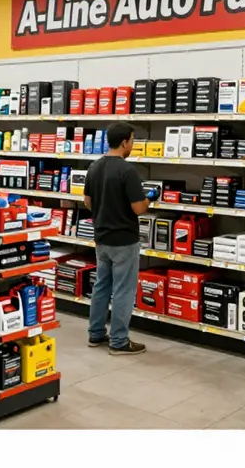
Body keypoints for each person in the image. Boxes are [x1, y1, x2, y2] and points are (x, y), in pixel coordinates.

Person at [83, 122, 150, 355]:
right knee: (123, 290)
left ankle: (96, 334)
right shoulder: (127, 171)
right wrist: (150, 199)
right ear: (124, 142)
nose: (132, 144)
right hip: (124, 240)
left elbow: (88, 202)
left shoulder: (94, 167)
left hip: (101, 238)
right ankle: (119, 341)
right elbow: (139, 208)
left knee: (101, 286)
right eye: (132, 140)